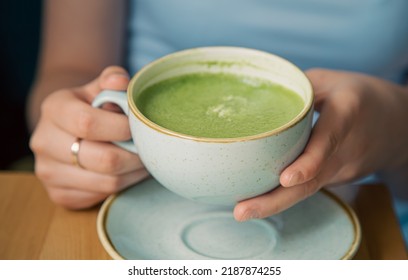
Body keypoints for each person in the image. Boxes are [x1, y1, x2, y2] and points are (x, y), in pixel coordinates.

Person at [29, 0, 408, 240]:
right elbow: (69, 68)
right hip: (134, 190)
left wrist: (397, 129)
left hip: (375, 203)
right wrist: (75, 133)